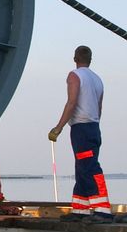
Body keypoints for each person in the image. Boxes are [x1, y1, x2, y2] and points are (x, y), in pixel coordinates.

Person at [48, 45, 111, 218]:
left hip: (81, 128)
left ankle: (103, 208)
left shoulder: (74, 76)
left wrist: (58, 127)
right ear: (90, 60)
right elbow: (99, 108)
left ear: (75, 58)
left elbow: (72, 102)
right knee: (82, 166)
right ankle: (80, 209)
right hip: (93, 127)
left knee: (89, 166)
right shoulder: (98, 80)